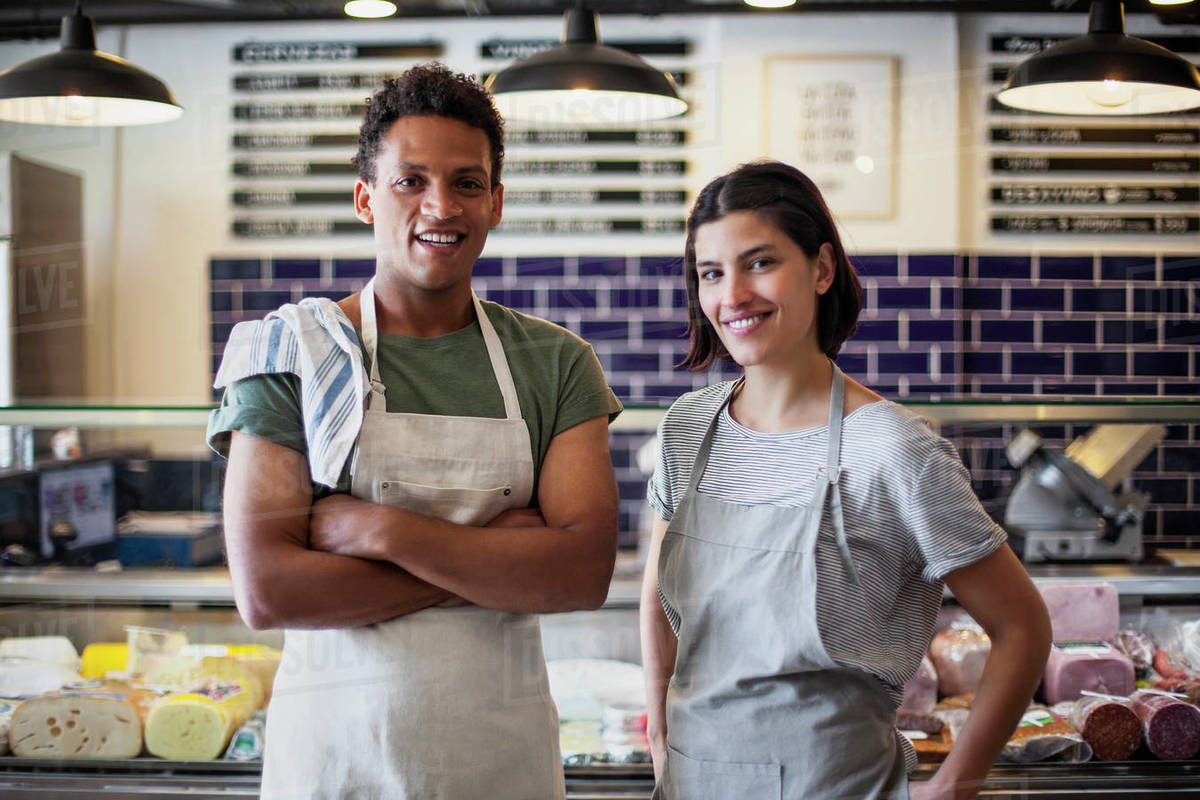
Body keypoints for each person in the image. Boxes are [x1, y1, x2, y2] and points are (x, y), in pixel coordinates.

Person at [208, 63, 623, 799]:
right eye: (411, 181)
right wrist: (497, 558)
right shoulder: (288, 354)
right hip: (336, 766)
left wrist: (384, 533)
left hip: (501, 764)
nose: (441, 205)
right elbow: (269, 590)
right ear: (367, 198)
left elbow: (580, 575)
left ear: (495, 203)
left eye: (467, 183)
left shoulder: (558, 363)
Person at [639, 161, 1051, 800]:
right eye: (711, 273)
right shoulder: (688, 428)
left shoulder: (891, 448)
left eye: (760, 262)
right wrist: (662, 741)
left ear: (823, 269)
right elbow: (656, 599)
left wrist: (954, 785)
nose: (732, 295)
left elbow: (1022, 626)